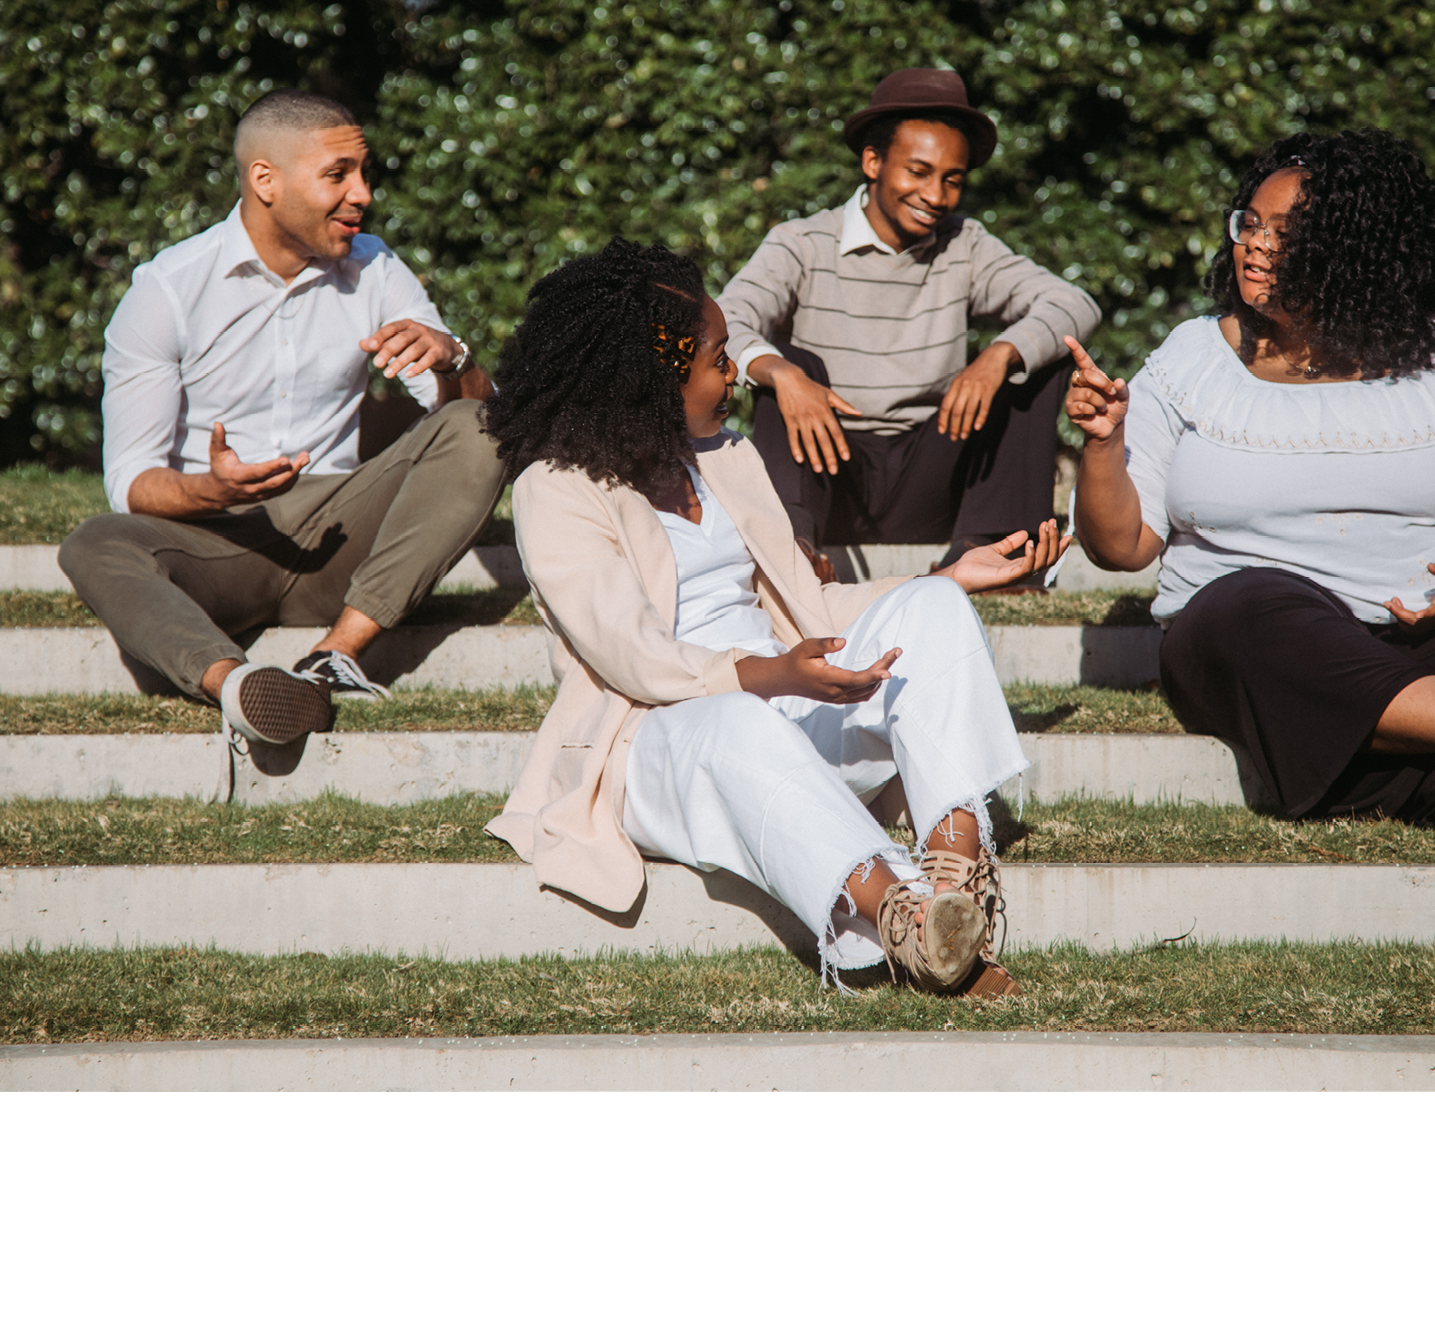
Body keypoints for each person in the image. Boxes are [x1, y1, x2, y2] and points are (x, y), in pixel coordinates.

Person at [481, 240, 1064, 994]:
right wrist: (765, 675)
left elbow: (807, 609)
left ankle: (955, 872)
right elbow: (633, 658)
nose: (732, 375)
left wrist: (941, 577)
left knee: (935, 607)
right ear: (654, 376)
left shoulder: (722, 457)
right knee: (737, 719)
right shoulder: (555, 489)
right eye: (718, 359)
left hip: (784, 701)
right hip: (658, 739)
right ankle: (910, 924)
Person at [1062, 128, 1435, 867]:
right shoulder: (1193, 358)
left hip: (1433, 625)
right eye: (1248, 222)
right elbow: (1120, 545)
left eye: (1287, 233)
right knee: (1246, 611)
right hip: (1263, 639)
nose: (1254, 244)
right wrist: (1102, 441)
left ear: (1358, 249)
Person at [59, 89, 504, 751]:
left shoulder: (375, 266)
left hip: (337, 537)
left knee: (479, 424)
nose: (363, 194)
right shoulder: (169, 290)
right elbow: (129, 478)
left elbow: (476, 416)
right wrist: (215, 492)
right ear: (265, 180)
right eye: (338, 175)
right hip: (212, 540)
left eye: (363, 172)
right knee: (94, 541)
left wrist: (453, 358)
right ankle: (240, 685)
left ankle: (336, 652)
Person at [719, 67, 1100, 571]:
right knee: (783, 366)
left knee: (1038, 355)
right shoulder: (802, 243)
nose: (936, 196)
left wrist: (999, 355)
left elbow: (1076, 304)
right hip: (829, 470)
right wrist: (782, 373)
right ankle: (795, 551)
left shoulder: (964, 246)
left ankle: (990, 548)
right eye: (918, 172)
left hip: (929, 472)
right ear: (873, 162)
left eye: (952, 180)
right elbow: (726, 320)